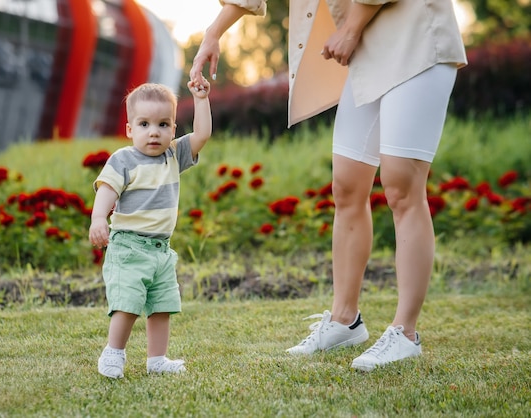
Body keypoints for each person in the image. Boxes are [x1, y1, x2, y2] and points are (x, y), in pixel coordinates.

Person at [190, 0, 467, 371]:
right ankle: (344, 320)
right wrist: (213, 32)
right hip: (367, 49)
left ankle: (405, 332)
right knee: (347, 187)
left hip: (417, 38)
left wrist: (351, 28)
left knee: (402, 187)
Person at [89, 81, 211, 378]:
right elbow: (106, 191)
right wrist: (97, 219)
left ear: (173, 128)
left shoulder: (173, 155)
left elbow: (203, 134)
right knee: (128, 303)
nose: (154, 131)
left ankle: (157, 360)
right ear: (130, 129)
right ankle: (114, 352)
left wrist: (201, 99)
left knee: (162, 306)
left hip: (161, 251)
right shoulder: (123, 159)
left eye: (163, 124)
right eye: (144, 124)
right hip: (129, 247)